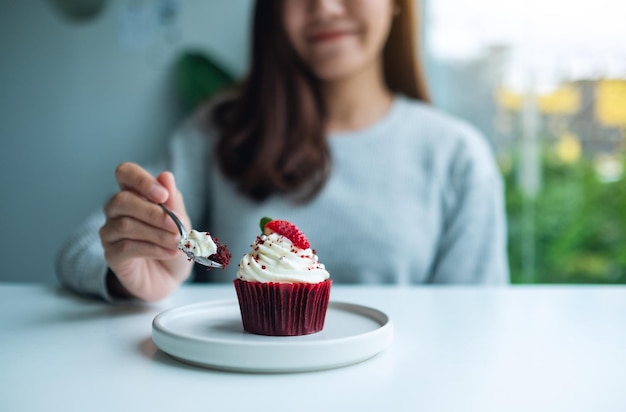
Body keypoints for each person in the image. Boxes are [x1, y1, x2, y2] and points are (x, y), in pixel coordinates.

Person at [56, 0, 509, 302]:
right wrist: (139, 270)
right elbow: (81, 250)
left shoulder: (457, 156)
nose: (325, 8)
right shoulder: (219, 132)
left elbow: (473, 324)